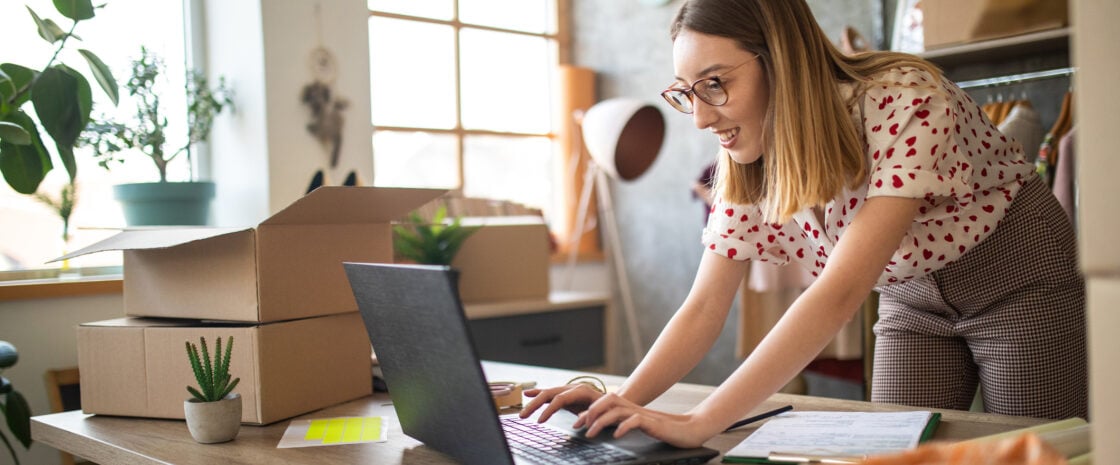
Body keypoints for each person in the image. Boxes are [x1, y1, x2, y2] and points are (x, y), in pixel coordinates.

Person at [520, 0, 1087, 449]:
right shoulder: (745, 159)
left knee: (1034, 448)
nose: (699, 116)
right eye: (687, 93)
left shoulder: (907, 101)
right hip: (911, 296)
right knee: (894, 453)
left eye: (715, 84)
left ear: (781, 60)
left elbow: (839, 293)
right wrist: (616, 402)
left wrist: (701, 421)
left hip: (1017, 277)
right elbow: (704, 306)